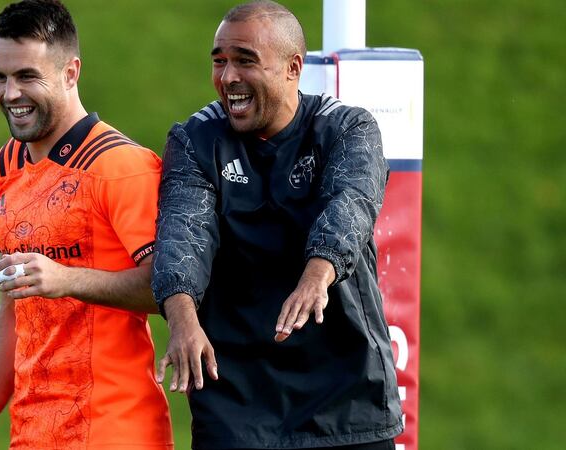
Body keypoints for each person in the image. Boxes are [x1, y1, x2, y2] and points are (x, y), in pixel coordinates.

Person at [151, 1, 403, 449]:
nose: (228, 77)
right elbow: (183, 235)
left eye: (245, 61)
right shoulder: (195, 140)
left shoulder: (347, 128)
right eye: (219, 61)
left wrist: (317, 274)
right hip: (237, 410)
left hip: (347, 402)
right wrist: (182, 319)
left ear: (293, 68)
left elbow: (352, 204)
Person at [0, 1, 173, 449]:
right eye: (0, 77)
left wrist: (66, 279)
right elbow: (15, 306)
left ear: (71, 73)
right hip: (32, 434)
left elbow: (170, 288)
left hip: (116, 432)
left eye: (27, 76)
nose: (11, 93)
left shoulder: (121, 167)